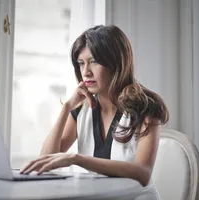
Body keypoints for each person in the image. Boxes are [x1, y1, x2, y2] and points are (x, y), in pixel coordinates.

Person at [20, 25, 169, 199]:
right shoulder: (81, 109)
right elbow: (46, 161)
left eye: (94, 61)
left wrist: (78, 159)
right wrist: (67, 107)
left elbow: (142, 174)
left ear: (115, 63)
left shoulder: (146, 106)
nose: (86, 72)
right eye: (81, 63)